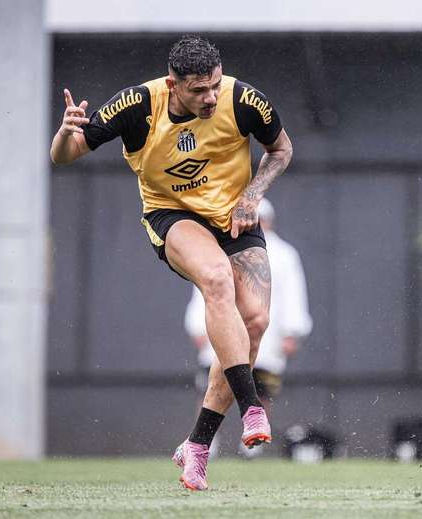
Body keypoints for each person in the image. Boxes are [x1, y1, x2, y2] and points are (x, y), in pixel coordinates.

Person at [50, 35, 293, 491]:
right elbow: (63, 157)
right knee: (217, 279)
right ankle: (251, 406)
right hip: (173, 215)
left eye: (214, 86)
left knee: (256, 322)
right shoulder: (138, 105)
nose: (210, 97)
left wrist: (252, 195)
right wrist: (65, 133)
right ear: (173, 84)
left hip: (235, 216)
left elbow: (281, 149)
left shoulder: (243, 100)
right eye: (198, 90)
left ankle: (197, 446)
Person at [184, 198, 312, 448]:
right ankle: (206, 441)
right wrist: (198, 325)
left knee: (260, 390)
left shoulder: (285, 255)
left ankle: (253, 443)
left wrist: (291, 332)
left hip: (266, 337)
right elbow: (208, 290)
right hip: (223, 330)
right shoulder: (217, 247)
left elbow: (293, 294)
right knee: (213, 385)